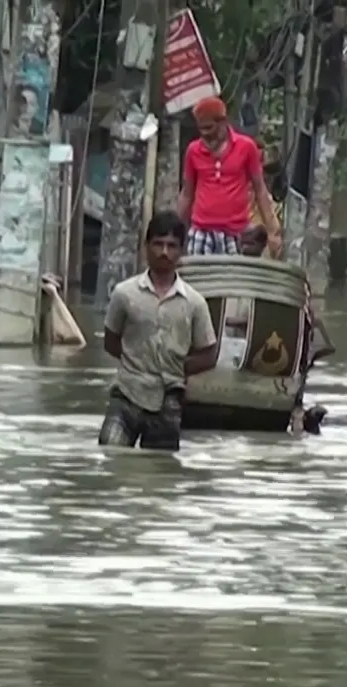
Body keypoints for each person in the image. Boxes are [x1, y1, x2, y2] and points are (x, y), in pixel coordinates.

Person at [100, 211, 219, 450]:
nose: (164, 252)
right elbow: (111, 341)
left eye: (172, 246)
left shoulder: (194, 303)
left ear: (182, 251)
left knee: (161, 465)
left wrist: (175, 368)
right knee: (110, 453)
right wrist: (136, 362)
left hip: (169, 397)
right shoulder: (124, 294)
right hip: (127, 392)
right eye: (158, 244)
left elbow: (208, 355)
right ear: (146, 247)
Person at [179, 97, 281, 257]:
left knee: (233, 273)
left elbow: (260, 190)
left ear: (223, 123)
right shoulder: (193, 151)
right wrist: (176, 231)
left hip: (235, 233)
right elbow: (187, 193)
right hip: (201, 231)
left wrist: (272, 231)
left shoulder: (246, 147)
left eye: (209, 128)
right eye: (201, 129)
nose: (205, 135)